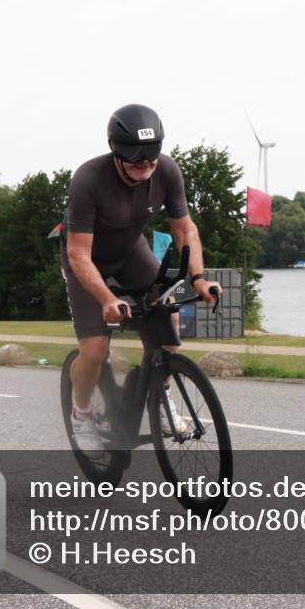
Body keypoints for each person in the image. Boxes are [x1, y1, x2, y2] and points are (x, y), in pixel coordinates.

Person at [60, 103, 220, 456]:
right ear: (116, 153)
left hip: (131, 252)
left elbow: (184, 228)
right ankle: (81, 413)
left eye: (150, 162)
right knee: (95, 348)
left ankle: (159, 398)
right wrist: (106, 299)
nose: (145, 169)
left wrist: (198, 279)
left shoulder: (167, 172)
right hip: (87, 260)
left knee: (170, 320)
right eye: (136, 163)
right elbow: (78, 255)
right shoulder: (89, 180)